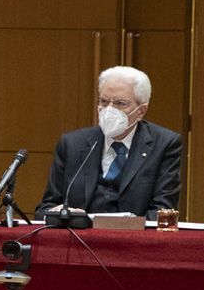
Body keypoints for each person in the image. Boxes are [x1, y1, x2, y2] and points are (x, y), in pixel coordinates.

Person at [36, 65, 182, 218]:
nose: (109, 110)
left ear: (141, 111)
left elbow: (163, 212)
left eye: (120, 103)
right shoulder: (72, 144)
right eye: (104, 102)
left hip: (133, 238)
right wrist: (63, 215)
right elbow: (46, 208)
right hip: (80, 236)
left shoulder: (164, 144)